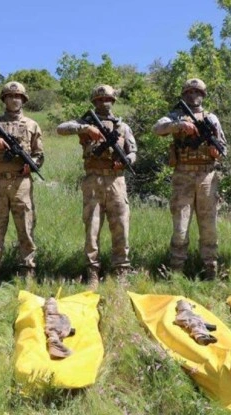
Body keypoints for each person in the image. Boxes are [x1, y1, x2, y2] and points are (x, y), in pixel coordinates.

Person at [56, 84, 137, 288]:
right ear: (94, 102)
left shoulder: (122, 127)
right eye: (100, 100)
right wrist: (85, 128)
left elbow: (134, 152)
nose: (104, 103)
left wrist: (126, 159)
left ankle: (121, 271)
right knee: (92, 227)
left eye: (108, 99)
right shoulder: (85, 122)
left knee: (121, 226)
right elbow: (61, 128)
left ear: (113, 101)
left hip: (116, 180)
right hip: (93, 180)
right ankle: (92, 272)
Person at [152, 78, 227, 280]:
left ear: (203, 95)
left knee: (209, 225)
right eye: (189, 92)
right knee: (180, 226)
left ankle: (211, 270)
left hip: (207, 175)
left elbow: (223, 147)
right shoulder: (175, 116)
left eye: (197, 92)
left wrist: (215, 151)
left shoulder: (211, 119)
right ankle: (176, 272)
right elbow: (158, 128)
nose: (193, 96)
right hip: (183, 175)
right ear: (184, 95)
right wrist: (179, 125)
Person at [0, 81, 44, 287]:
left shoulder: (32, 125)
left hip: (21, 182)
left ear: (23, 100)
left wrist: (31, 166)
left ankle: (27, 269)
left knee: (25, 225)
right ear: (4, 99)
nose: (14, 100)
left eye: (18, 97)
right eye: (10, 96)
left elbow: (39, 154)